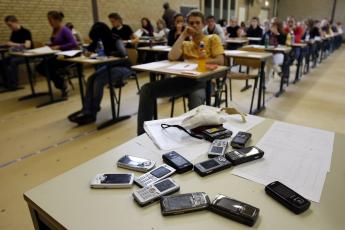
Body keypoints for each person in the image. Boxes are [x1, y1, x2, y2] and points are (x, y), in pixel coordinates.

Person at [137, 10, 224, 135]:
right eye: (191, 23)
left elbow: (220, 60)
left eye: (197, 23)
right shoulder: (185, 43)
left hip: (206, 82)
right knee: (146, 89)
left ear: (203, 24)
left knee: (195, 97)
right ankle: (142, 135)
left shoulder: (212, 38)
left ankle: (196, 136)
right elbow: (172, 56)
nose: (194, 25)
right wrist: (183, 35)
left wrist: (199, 60)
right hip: (185, 80)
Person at [68, 22, 132, 125]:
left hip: (123, 67)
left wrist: (109, 54)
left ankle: (93, 112)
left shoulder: (116, 39)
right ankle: (86, 110)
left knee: (99, 81)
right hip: (110, 66)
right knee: (91, 79)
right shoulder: (100, 39)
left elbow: (123, 54)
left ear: (102, 33)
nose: (98, 40)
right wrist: (85, 51)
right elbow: (90, 48)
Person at [35, 11, 78, 97]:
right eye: (48, 20)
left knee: (46, 66)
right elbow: (55, 43)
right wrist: (48, 45)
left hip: (68, 56)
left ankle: (62, 84)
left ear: (57, 20)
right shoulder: (54, 30)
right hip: (58, 55)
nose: (49, 23)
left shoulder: (65, 30)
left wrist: (59, 47)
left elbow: (74, 43)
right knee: (40, 67)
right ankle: (61, 82)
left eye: (50, 20)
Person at [2, 15, 33, 90]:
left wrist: (13, 44)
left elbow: (27, 45)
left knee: (13, 61)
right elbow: (11, 45)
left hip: (27, 55)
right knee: (2, 62)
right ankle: (6, 84)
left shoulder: (26, 31)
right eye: (8, 26)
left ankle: (14, 85)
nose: (10, 27)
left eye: (10, 25)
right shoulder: (13, 33)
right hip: (16, 54)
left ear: (16, 22)